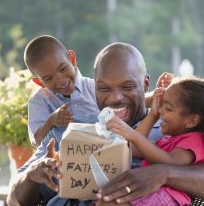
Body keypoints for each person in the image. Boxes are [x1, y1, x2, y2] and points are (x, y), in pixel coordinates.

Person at [6, 42, 204, 206]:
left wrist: (163, 173)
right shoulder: (68, 125)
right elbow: (13, 199)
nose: (115, 98)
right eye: (104, 88)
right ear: (94, 88)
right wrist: (33, 175)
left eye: (126, 87)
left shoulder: (171, 127)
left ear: (145, 84)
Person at [78, 76, 204, 206]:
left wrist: (133, 135)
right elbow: (136, 149)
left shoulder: (196, 141)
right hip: (151, 192)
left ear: (191, 121)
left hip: (167, 196)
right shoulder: (169, 139)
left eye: (168, 108)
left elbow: (170, 162)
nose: (161, 112)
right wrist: (152, 115)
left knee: (107, 204)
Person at [24, 35, 171, 148]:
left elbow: (131, 102)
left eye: (62, 69)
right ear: (39, 82)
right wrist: (52, 120)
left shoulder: (92, 87)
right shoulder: (40, 101)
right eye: (49, 78)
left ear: (72, 59)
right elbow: (37, 142)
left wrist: (162, 94)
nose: (60, 80)